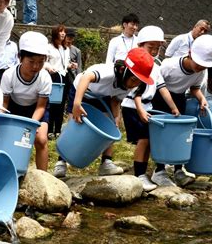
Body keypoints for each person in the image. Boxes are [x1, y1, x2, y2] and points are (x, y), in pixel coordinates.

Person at [53, 48, 155, 178]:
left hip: (102, 96)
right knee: (75, 122)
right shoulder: (108, 72)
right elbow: (86, 77)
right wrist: (77, 104)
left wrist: (116, 117)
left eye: (139, 82)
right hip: (82, 90)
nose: (135, 84)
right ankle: (61, 161)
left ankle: (106, 162)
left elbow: (115, 100)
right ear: (123, 71)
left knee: (111, 125)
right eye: (134, 80)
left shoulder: (128, 84)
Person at [151, 34, 212, 187]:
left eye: (204, 66)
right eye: (199, 64)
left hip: (179, 99)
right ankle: (159, 170)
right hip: (160, 98)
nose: (200, 68)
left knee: (180, 133)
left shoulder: (200, 72)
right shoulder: (169, 65)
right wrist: (170, 106)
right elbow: (156, 83)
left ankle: (178, 169)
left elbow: (194, 89)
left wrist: (202, 99)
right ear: (190, 54)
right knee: (162, 133)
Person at [120, 26, 179, 191]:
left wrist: (173, 107)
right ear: (140, 45)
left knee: (149, 140)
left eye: (157, 47)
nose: (153, 51)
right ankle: (139, 174)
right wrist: (140, 110)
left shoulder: (156, 66)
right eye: (150, 47)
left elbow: (162, 88)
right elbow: (136, 92)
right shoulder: (136, 63)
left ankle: (150, 172)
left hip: (148, 107)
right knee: (143, 140)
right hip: (132, 106)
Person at [0, 31, 52, 171]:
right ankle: (8, 171)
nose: (36, 67)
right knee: (9, 139)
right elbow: (4, 103)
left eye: (40, 62)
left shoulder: (45, 78)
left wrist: (31, 126)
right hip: (13, 107)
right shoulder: (9, 75)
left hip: (36, 109)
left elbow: (41, 106)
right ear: (20, 58)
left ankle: (44, 178)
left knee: (41, 140)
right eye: (31, 62)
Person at [44, 25, 69, 137]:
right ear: (55, 33)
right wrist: (49, 67)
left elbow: (64, 64)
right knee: (52, 103)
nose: (63, 34)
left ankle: (58, 130)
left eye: (64, 32)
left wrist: (70, 65)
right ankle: (49, 130)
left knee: (61, 104)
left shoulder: (66, 48)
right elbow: (44, 61)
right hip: (52, 76)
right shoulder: (49, 47)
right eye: (60, 32)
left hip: (63, 76)